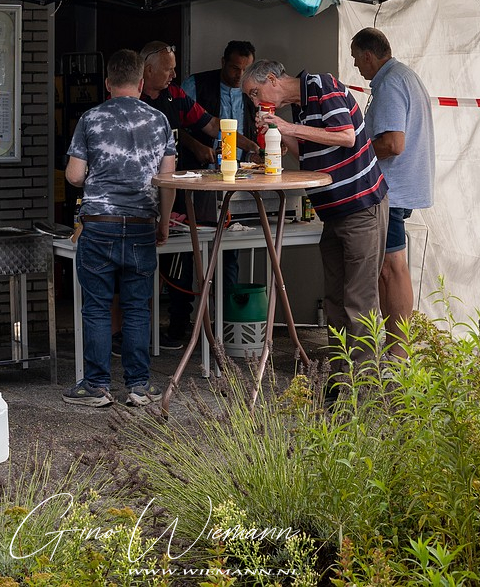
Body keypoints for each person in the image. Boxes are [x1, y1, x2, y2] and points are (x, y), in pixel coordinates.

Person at [241, 60, 387, 363]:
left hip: (360, 206)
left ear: (271, 79)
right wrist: (278, 131)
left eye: (255, 93)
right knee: (335, 300)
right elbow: (306, 156)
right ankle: (339, 377)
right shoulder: (300, 107)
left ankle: (362, 388)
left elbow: (346, 136)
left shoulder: (322, 85)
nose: (255, 101)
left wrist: (287, 126)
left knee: (359, 301)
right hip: (333, 212)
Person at [64, 49, 176, 408]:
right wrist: (163, 223)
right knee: (138, 307)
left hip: (99, 226)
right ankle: (139, 386)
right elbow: (168, 180)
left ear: (108, 83)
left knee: (97, 307)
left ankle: (96, 386)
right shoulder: (159, 121)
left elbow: (75, 175)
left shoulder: (90, 118)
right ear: (142, 83)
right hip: (143, 223)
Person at [139, 41, 257, 348]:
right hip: (138, 194)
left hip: (179, 191)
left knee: (188, 253)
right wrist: (196, 148)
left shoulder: (175, 94)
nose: (174, 74)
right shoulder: (132, 99)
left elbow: (210, 125)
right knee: (145, 267)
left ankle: (193, 327)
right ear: (147, 70)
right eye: (168, 68)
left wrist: (251, 145)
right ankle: (144, 333)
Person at [351, 28, 435, 359]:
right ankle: (394, 347)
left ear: (369, 55)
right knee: (389, 267)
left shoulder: (389, 83)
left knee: (392, 267)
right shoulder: (402, 76)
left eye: (357, 58)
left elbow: (392, 144)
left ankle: (399, 354)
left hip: (392, 191)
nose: (356, 66)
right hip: (399, 188)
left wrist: (355, 154)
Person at [180, 39, 257, 304]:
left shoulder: (251, 91)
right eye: (235, 68)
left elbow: (248, 131)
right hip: (196, 180)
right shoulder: (195, 84)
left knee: (230, 250)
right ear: (223, 62)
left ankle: (226, 319)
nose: (240, 76)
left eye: (245, 70)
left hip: (235, 181)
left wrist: (257, 147)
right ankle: (180, 321)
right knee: (187, 250)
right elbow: (174, 128)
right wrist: (197, 145)